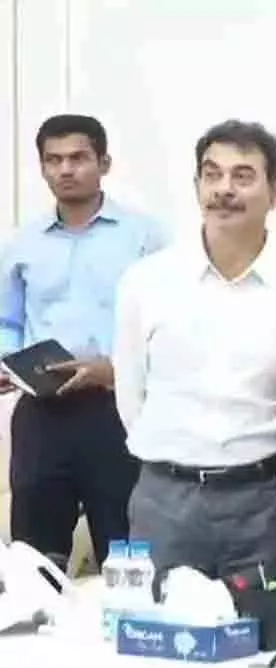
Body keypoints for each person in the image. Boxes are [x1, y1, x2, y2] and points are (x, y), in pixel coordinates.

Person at [113, 120, 276, 584]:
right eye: (212, 173)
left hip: (262, 499)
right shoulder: (147, 282)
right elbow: (130, 394)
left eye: (242, 176)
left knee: (262, 640)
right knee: (157, 644)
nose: (224, 189)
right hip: (164, 498)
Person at [0, 114, 167, 569]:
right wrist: (7, 361)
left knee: (126, 549)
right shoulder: (23, 242)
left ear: (104, 162)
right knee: (33, 557)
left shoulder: (145, 237)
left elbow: (170, 324)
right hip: (41, 414)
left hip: (116, 408)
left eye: (77, 158)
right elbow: (8, 320)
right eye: (53, 160)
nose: (65, 169)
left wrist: (114, 370)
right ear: (42, 168)